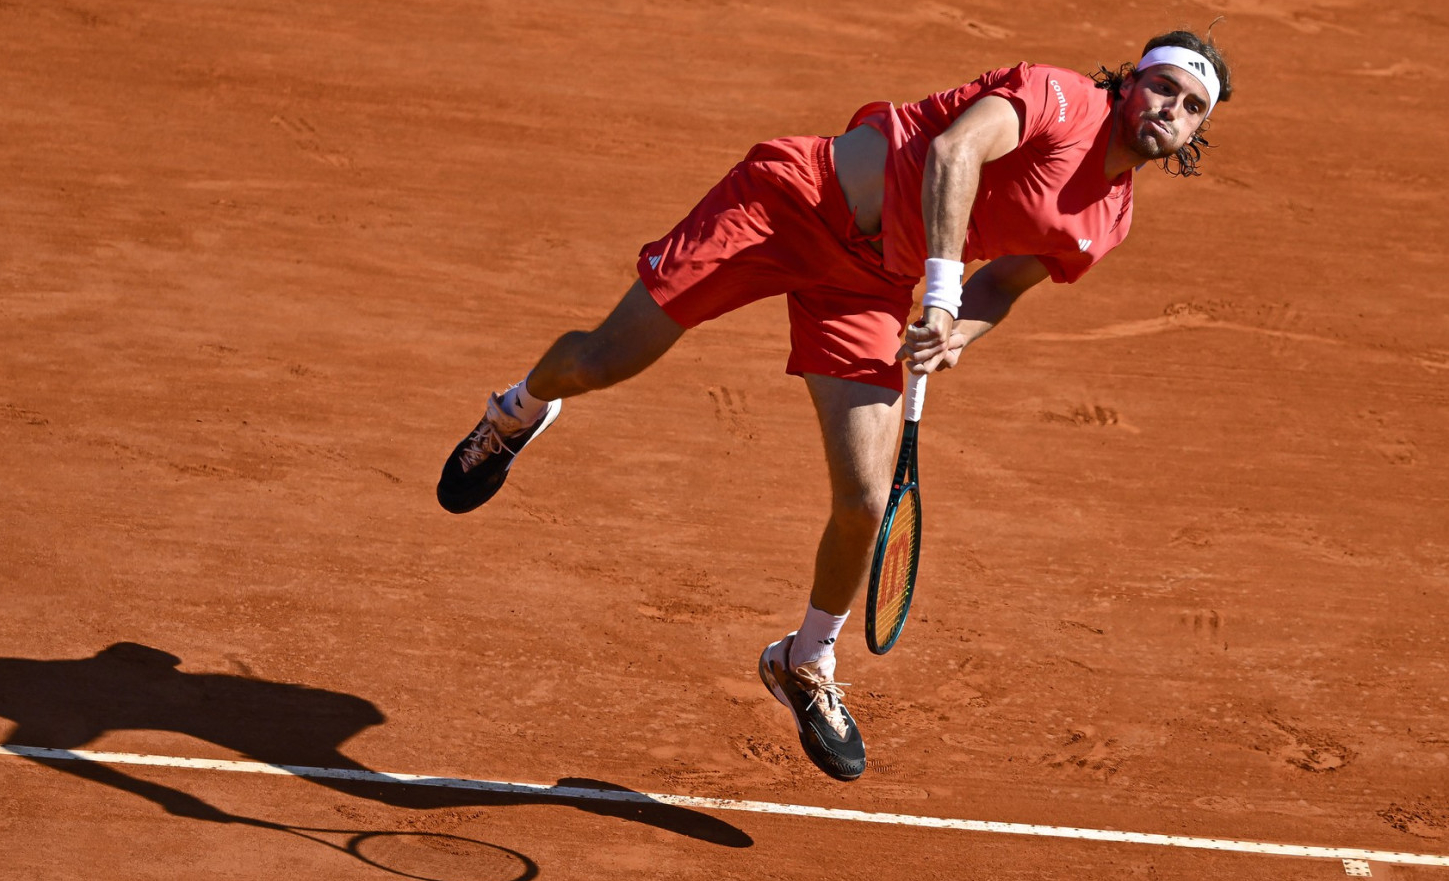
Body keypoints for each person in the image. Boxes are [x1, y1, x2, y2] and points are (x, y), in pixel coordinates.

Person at [438, 29, 1233, 782]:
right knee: (603, 360)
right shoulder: (1060, 98)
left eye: (1191, 106)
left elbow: (1008, 281)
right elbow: (955, 152)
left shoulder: (1109, 219)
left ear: (1197, 130)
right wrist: (944, 291)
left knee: (864, 498)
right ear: (1130, 82)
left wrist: (957, 333)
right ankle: (517, 411)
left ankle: (805, 660)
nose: (1170, 109)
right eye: (1161, 87)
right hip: (787, 203)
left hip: (868, 286)